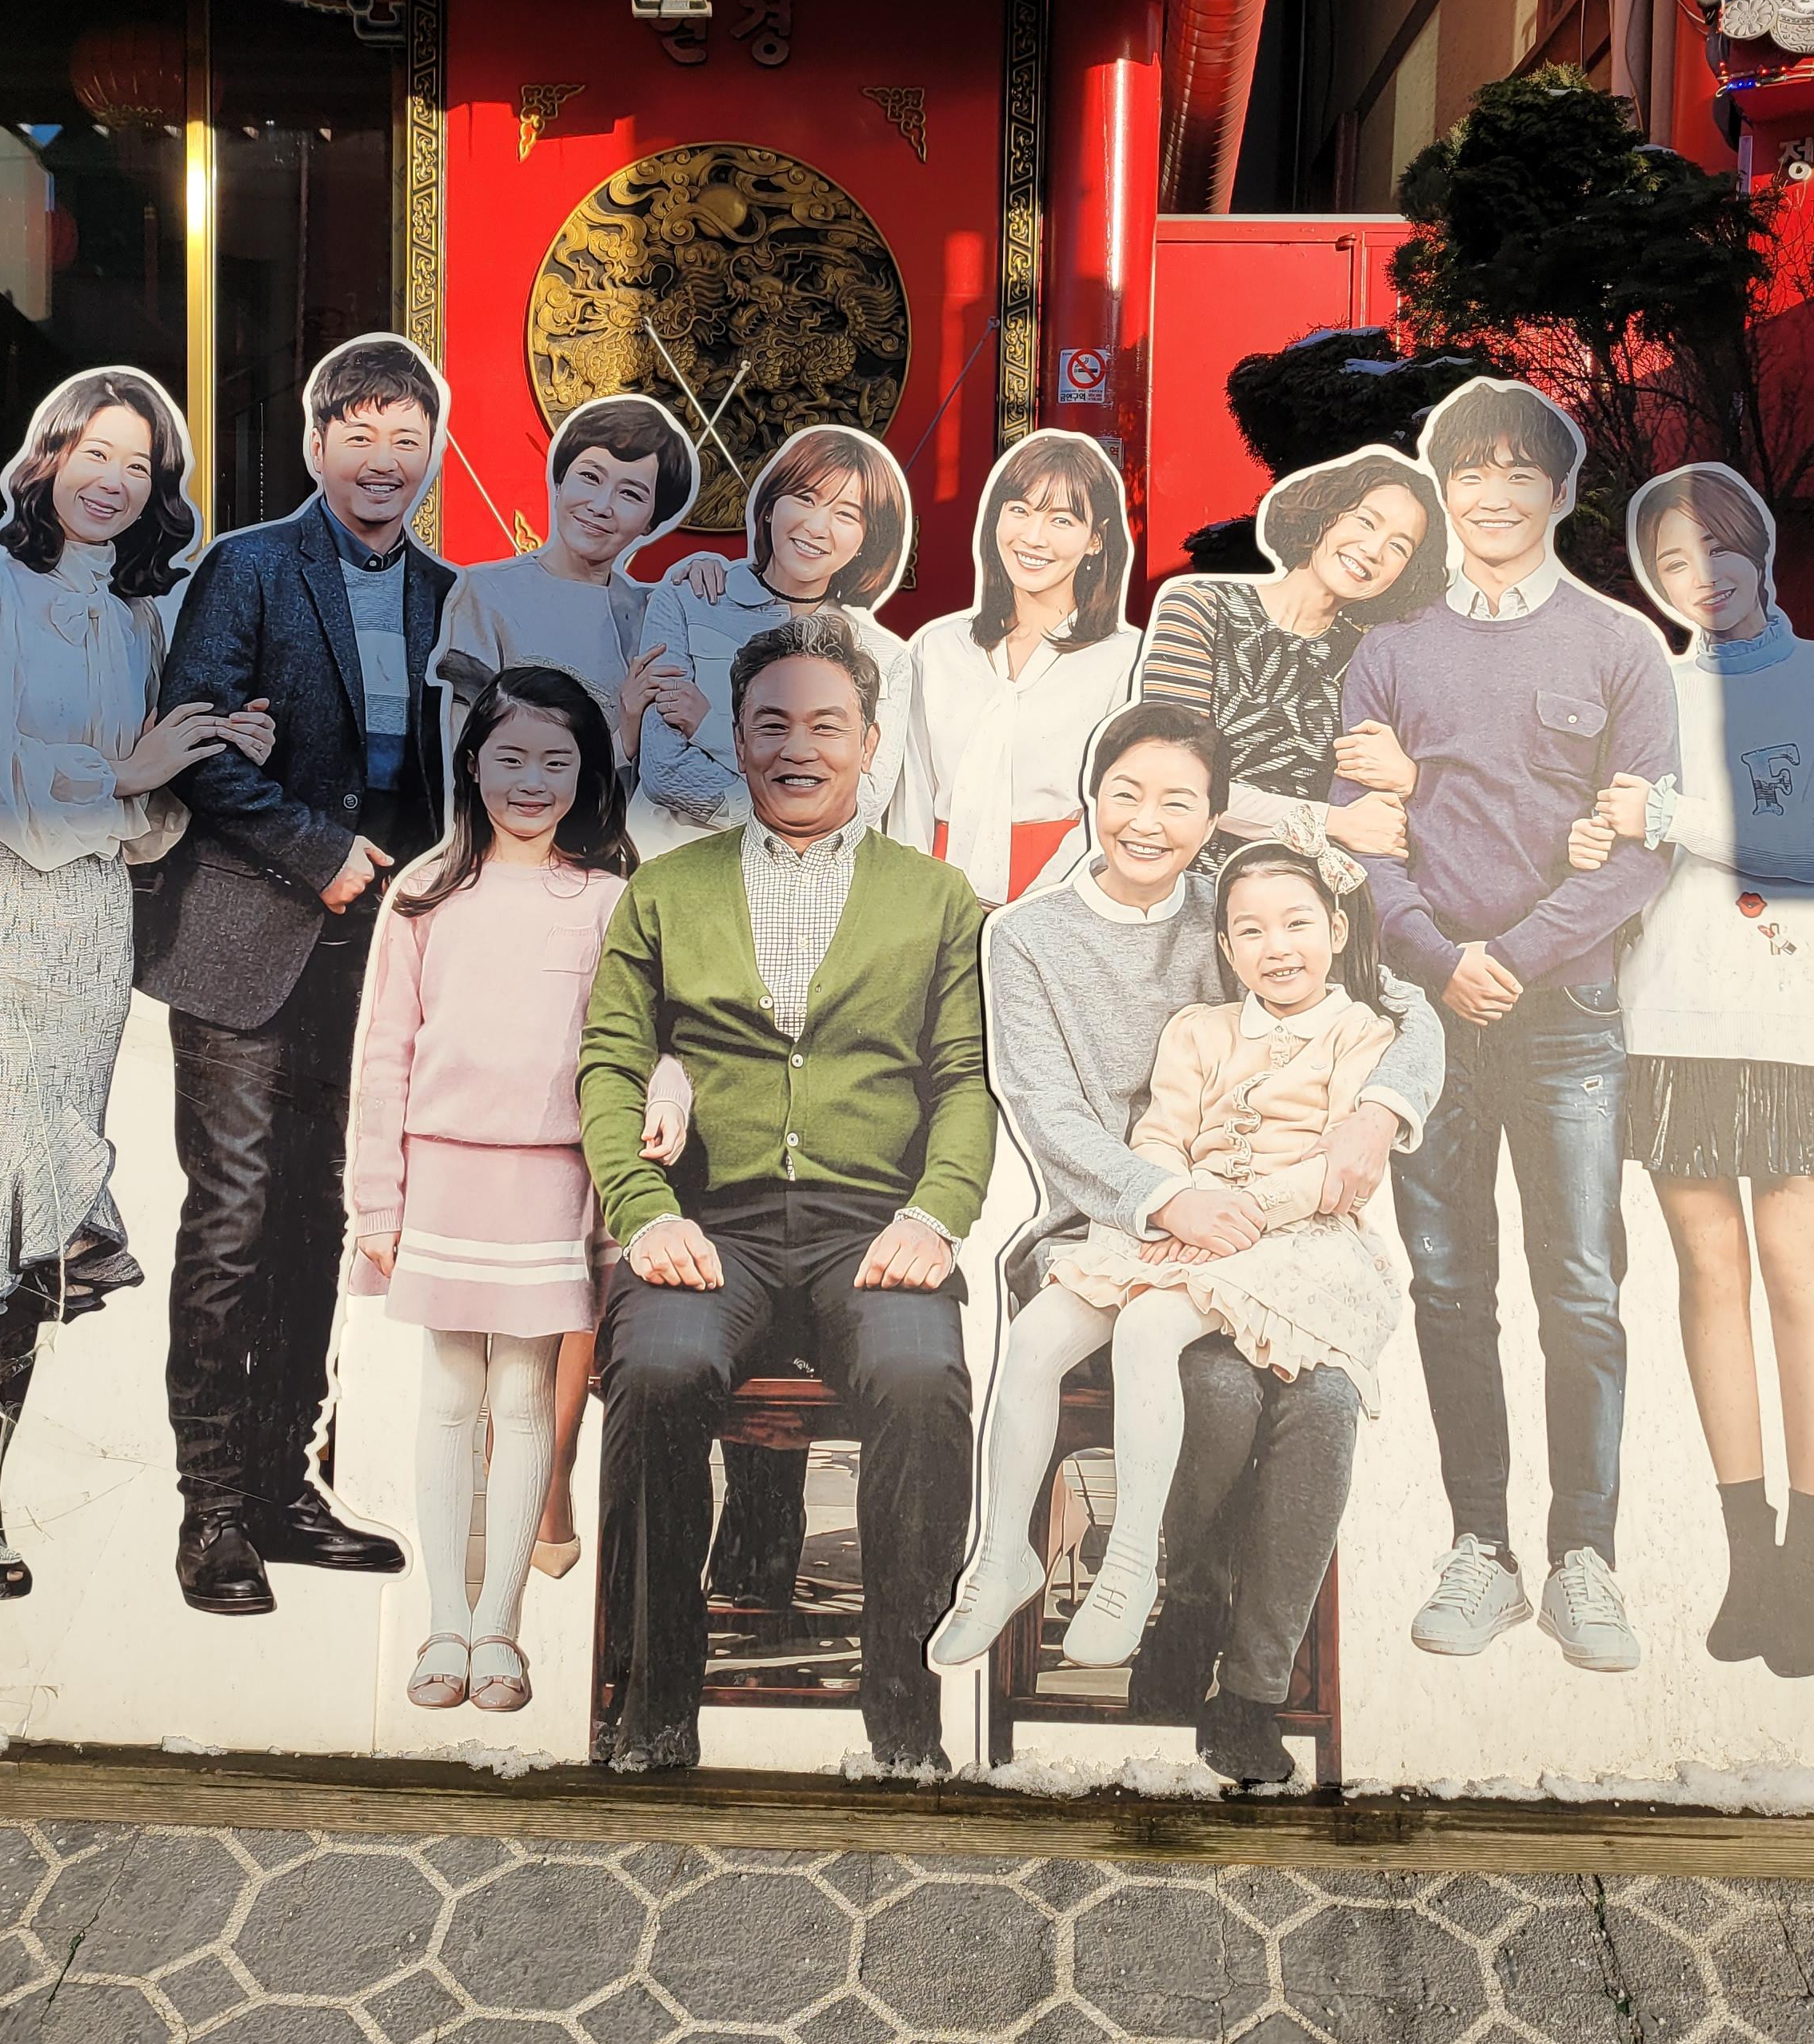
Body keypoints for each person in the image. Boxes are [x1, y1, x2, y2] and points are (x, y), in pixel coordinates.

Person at [964, 702, 1443, 1783]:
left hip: (1283, 1244)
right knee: (1220, 1397)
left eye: (1179, 802)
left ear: (1216, 815)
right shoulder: (1029, 937)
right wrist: (1169, 1201)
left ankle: (1250, 1691)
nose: (1148, 821)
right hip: (1124, 1229)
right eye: (1126, 793)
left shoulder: (1242, 903)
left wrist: (1379, 1114)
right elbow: (1053, 1118)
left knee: (1323, 1404)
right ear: (1091, 795)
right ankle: (1179, 1600)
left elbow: (1404, 1013)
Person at [0, 368, 270, 1600]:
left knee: (46, 1229)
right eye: (96, 452)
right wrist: (128, 772)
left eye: (140, 466)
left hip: (89, 947)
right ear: (44, 461)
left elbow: (143, 837)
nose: (114, 480)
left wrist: (199, 756)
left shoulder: (140, 626)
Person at [580, 610, 994, 1774]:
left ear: (869, 743)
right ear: (737, 739)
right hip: (712, 1226)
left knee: (919, 1378)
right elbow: (610, 1064)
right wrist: (644, 1211)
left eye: (826, 724)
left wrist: (936, 1214)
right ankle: (654, 1711)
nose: (797, 748)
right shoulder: (667, 891)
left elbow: (968, 1080)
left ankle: (903, 1721)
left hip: (875, 1229)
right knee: (657, 1370)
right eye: (770, 724)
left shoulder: (938, 899)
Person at [1332, 378, 1678, 1676]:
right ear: (1442, 491)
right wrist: (1436, 955)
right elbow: (1361, 836)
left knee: (1578, 1283)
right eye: (1466, 472)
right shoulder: (1390, 651)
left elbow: (1639, 847)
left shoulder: (1618, 646)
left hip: (1567, 1015)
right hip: (1428, 1019)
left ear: (1561, 490)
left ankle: (1584, 1557)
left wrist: (1515, 959)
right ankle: (1480, 1545)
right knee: (1448, 1285)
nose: (1490, 494)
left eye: (1517, 472)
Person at [138, 333, 455, 1616]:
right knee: (233, 1215)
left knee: (324, 1215)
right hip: (244, 934)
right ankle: (209, 1507)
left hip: (374, 953)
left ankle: (283, 1484)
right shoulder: (252, 567)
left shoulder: (450, 594)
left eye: (406, 440)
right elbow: (196, 743)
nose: (383, 460)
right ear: (317, 445)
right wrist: (317, 850)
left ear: (432, 456)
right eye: (358, 435)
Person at [933, 828, 1408, 1679]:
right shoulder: (1199, 1030)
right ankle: (1002, 1554)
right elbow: (1161, 1131)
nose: (1277, 948)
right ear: (1224, 947)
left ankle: (1129, 1564)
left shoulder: (1360, 1034)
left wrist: (1240, 1214)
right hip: (1182, 1222)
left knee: (1149, 1328)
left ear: (1336, 930)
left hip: (1294, 1242)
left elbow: (1335, 1174)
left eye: (1297, 924)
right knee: (1037, 1335)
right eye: (1251, 931)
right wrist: (1175, 1203)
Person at [1567, 464, 1814, 1679]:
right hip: (1669, 1014)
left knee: (1800, 1274)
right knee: (1708, 1275)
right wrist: (1596, 840)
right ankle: (1749, 1555)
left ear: (1758, 544)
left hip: (1796, 1015)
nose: (1701, 578)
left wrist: (1664, 818)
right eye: (1671, 563)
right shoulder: (1647, 687)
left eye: (1717, 549)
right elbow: (1621, 854)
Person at [348, 666, 690, 1714]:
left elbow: (654, 1033)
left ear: (587, 772)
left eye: (555, 760)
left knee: (525, 1396)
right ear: (471, 763)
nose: (531, 781)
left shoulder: (610, 898)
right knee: (450, 1393)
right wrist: (377, 1202)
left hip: (553, 1180)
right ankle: (442, 1625)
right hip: (443, 1175)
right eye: (509, 757)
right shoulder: (424, 894)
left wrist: (669, 1088)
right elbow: (383, 1054)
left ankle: (499, 1628)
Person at [1139, 450, 1448, 865]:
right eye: (1365, 521)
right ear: (1326, 514)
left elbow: (1392, 809)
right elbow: (1171, 777)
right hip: (1177, 874)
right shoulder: (1201, 607)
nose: (1375, 550)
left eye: (1399, 546)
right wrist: (1335, 822)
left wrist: (1410, 778)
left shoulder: (1370, 658)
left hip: (1300, 889)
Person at [629, 425, 913, 855]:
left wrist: (711, 727)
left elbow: (866, 801)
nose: (816, 526)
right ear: (769, 508)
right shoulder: (689, 599)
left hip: (798, 880)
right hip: (670, 860)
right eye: (805, 498)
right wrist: (797, 818)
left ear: (865, 540)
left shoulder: (885, 657)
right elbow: (664, 771)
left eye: (845, 514)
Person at [889, 430, 1139, 904]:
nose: (1033, 537)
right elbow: (911, 792)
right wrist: (918, 904)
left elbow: (1114, 809)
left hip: (1060, 899)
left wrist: (1032, 914)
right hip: (935, 895)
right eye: (1019, 510)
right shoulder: (938, 649)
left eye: (1061, 519)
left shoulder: (1125, 661)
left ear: (1095, 540)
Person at [430, 394, 701, 767]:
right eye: (590, 477)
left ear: (651, 522)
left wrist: (714, 576)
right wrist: (622, 741)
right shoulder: (483, 595)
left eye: (630, 494)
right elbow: (472, 757)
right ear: (560, 480)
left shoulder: (655, 611)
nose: (600, 506)